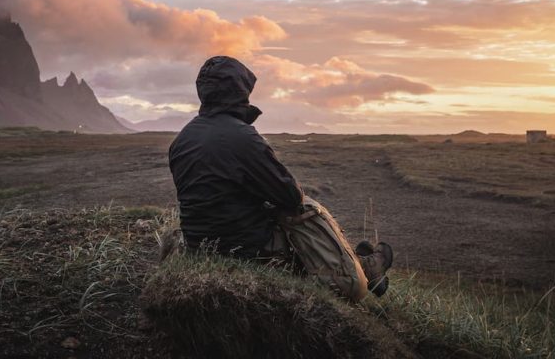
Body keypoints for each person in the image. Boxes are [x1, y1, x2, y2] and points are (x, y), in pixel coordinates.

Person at [167, 55, 393, 301]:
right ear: (239, 91)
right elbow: (290, 196)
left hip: (199, 247)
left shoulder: (182, 139)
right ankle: (363, 270)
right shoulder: (243, 137)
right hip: (248, 250)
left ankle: (359, 263)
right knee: (306, 211)